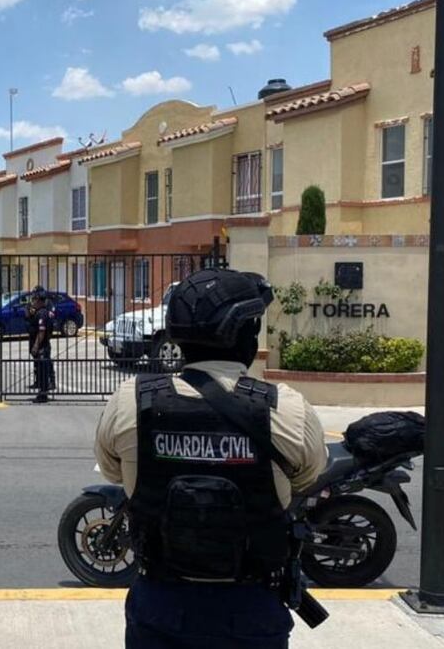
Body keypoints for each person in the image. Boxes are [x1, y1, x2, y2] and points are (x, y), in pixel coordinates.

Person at [94, 268, 328, 648]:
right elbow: (305, 479)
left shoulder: (130, 402)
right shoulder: (287, 410)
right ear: (246, 336)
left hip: (161, 607)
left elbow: (113, 472)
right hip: (250, 608)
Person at [29, 290, 53, 404]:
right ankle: (42, 392)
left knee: (43, 371)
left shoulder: (42, 313)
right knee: (41, 370)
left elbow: (41, 331)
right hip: (44, 345)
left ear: (39, 301)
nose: (33, 301)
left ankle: (43, 394)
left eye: (34, 299)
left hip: (42, 346)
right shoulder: (43, 312)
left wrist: (35, 346)